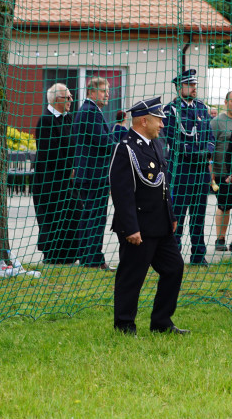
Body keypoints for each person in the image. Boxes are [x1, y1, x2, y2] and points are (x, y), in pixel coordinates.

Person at [108, 97, 188, 335]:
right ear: (144, 120)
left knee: (174, 268)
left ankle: (162, 322)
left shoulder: (155, 144)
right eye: (158, 120)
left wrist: (171, 216)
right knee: (132, 277)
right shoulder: (126, 148)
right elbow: (121, 192)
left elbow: (163, 185)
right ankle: (124, 325)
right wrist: (131, 228)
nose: (162, 125)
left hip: (160, 225)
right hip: (138, 228)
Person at [163, 69, 215, 265]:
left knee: (199, 216)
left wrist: (207, 151)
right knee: (177, 217)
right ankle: (173, 256)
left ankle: (198, 256)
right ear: (179, 87)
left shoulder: (202, 108)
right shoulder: (170, 110)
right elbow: (174, 141)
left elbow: (210, 137)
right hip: (182, 173)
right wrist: (196, 153)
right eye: (190, 85)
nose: (194, 88)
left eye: (195, 85)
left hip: (200, 172)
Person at [72, 76, 115, 270]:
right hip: (93, 175)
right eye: (103, 90)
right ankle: (92, 259)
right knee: (94, 217)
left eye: (107, 90)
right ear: (91, 92)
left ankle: (91, 257)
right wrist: (123, 146)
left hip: (92, 174)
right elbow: (103, 142)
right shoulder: (89, 112)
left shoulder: (91, 111)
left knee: (92, 216)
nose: (108, 94)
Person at [33, 83, 77, 264]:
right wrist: (70, 168)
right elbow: (50, 153)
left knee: (72, 214)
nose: (71, 101)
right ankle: (53, 257)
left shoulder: (68, 118)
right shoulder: (46, 121)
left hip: (67, 180)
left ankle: (69, 256)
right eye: (67, 98)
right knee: (53, 220)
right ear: (56, 99)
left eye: (71, 97)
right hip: (50, 182)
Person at [209, 90, 232, 253]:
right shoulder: (217, 122)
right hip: (223, 173)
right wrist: (211, 175)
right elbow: (210, 150)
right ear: (226, 102)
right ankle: (220, 239)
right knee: (225, 206)